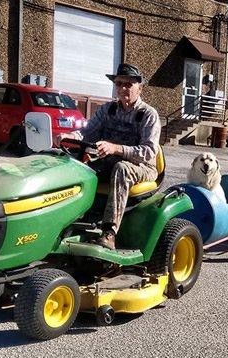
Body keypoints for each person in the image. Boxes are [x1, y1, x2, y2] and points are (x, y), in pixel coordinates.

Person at [53, 63, 161, 250]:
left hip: (143, 168)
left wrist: (116, 148)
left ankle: (109, 232)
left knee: (122, 169)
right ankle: (67, 221)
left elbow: (149, 152)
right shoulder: (107, 110)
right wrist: (70, 136)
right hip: (110, 162)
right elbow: (87, 132)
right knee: (74, 166)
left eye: (128, 84)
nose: (122, 88)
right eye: (119, 84)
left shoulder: (148, 115)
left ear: (139, 87)